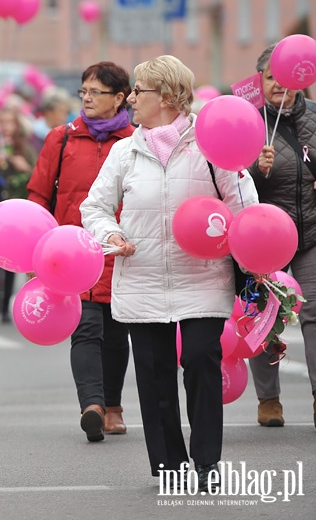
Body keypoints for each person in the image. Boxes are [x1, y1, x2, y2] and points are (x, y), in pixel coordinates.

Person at [81, 55, 257, 491]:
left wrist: (255, 257)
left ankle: (206, 462)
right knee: (155, 375)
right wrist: (112, 236)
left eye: (140, 90)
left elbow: (244, 208)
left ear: (169, 96)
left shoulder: (211, 144)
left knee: (200, 361)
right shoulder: (126, 150)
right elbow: (94, 207)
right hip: (140, 278)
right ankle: (169, 466)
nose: (132, 99)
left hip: (203, 277)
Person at [27, 61, 134, 442]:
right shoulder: (62, 138)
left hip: (120, 250)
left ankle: (114, 406)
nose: (87, 99)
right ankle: (92, 405)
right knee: (85, 328)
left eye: (96, 92)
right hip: (71, 254)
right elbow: (39, 195)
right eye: (83, 92)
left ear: (119, 98)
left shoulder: (135, 141)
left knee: (117, 331)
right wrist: (33, 252)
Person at [247, 43, 316, 429]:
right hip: (265, 237)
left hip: (311, 232)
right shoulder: (249, 122)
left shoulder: (315, 119)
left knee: (314, 314)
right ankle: (268, 399)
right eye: (271, 77)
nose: (279, 85)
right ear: (261, 80)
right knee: (264, 315)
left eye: (286, 77)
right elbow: (234, 183)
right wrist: (258, 169)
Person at [0, 96, 37, 324]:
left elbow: (35, 178)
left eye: (11, 122)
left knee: (9, 260)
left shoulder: (24, 149)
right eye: (3, 122)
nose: (7, 127)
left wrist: (23, 166)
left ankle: (4, 305)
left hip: (15, 213)